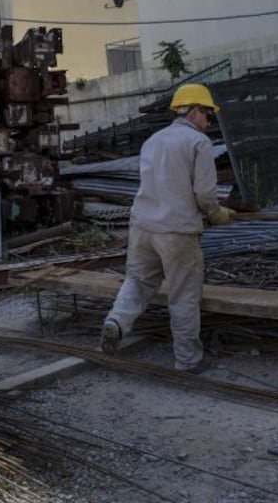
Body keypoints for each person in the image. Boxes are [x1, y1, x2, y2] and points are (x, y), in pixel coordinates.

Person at [99, 83, 234, 373]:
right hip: (177, 230)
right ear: (196, 111)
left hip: (142, 226)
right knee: (184, 294)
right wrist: (217, 213)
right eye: (208, 115)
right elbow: (204, 194)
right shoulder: (199, 143)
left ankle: (116, 322)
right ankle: (187, 360)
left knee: (137, 281)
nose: (209, 122)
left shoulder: (153, 141)